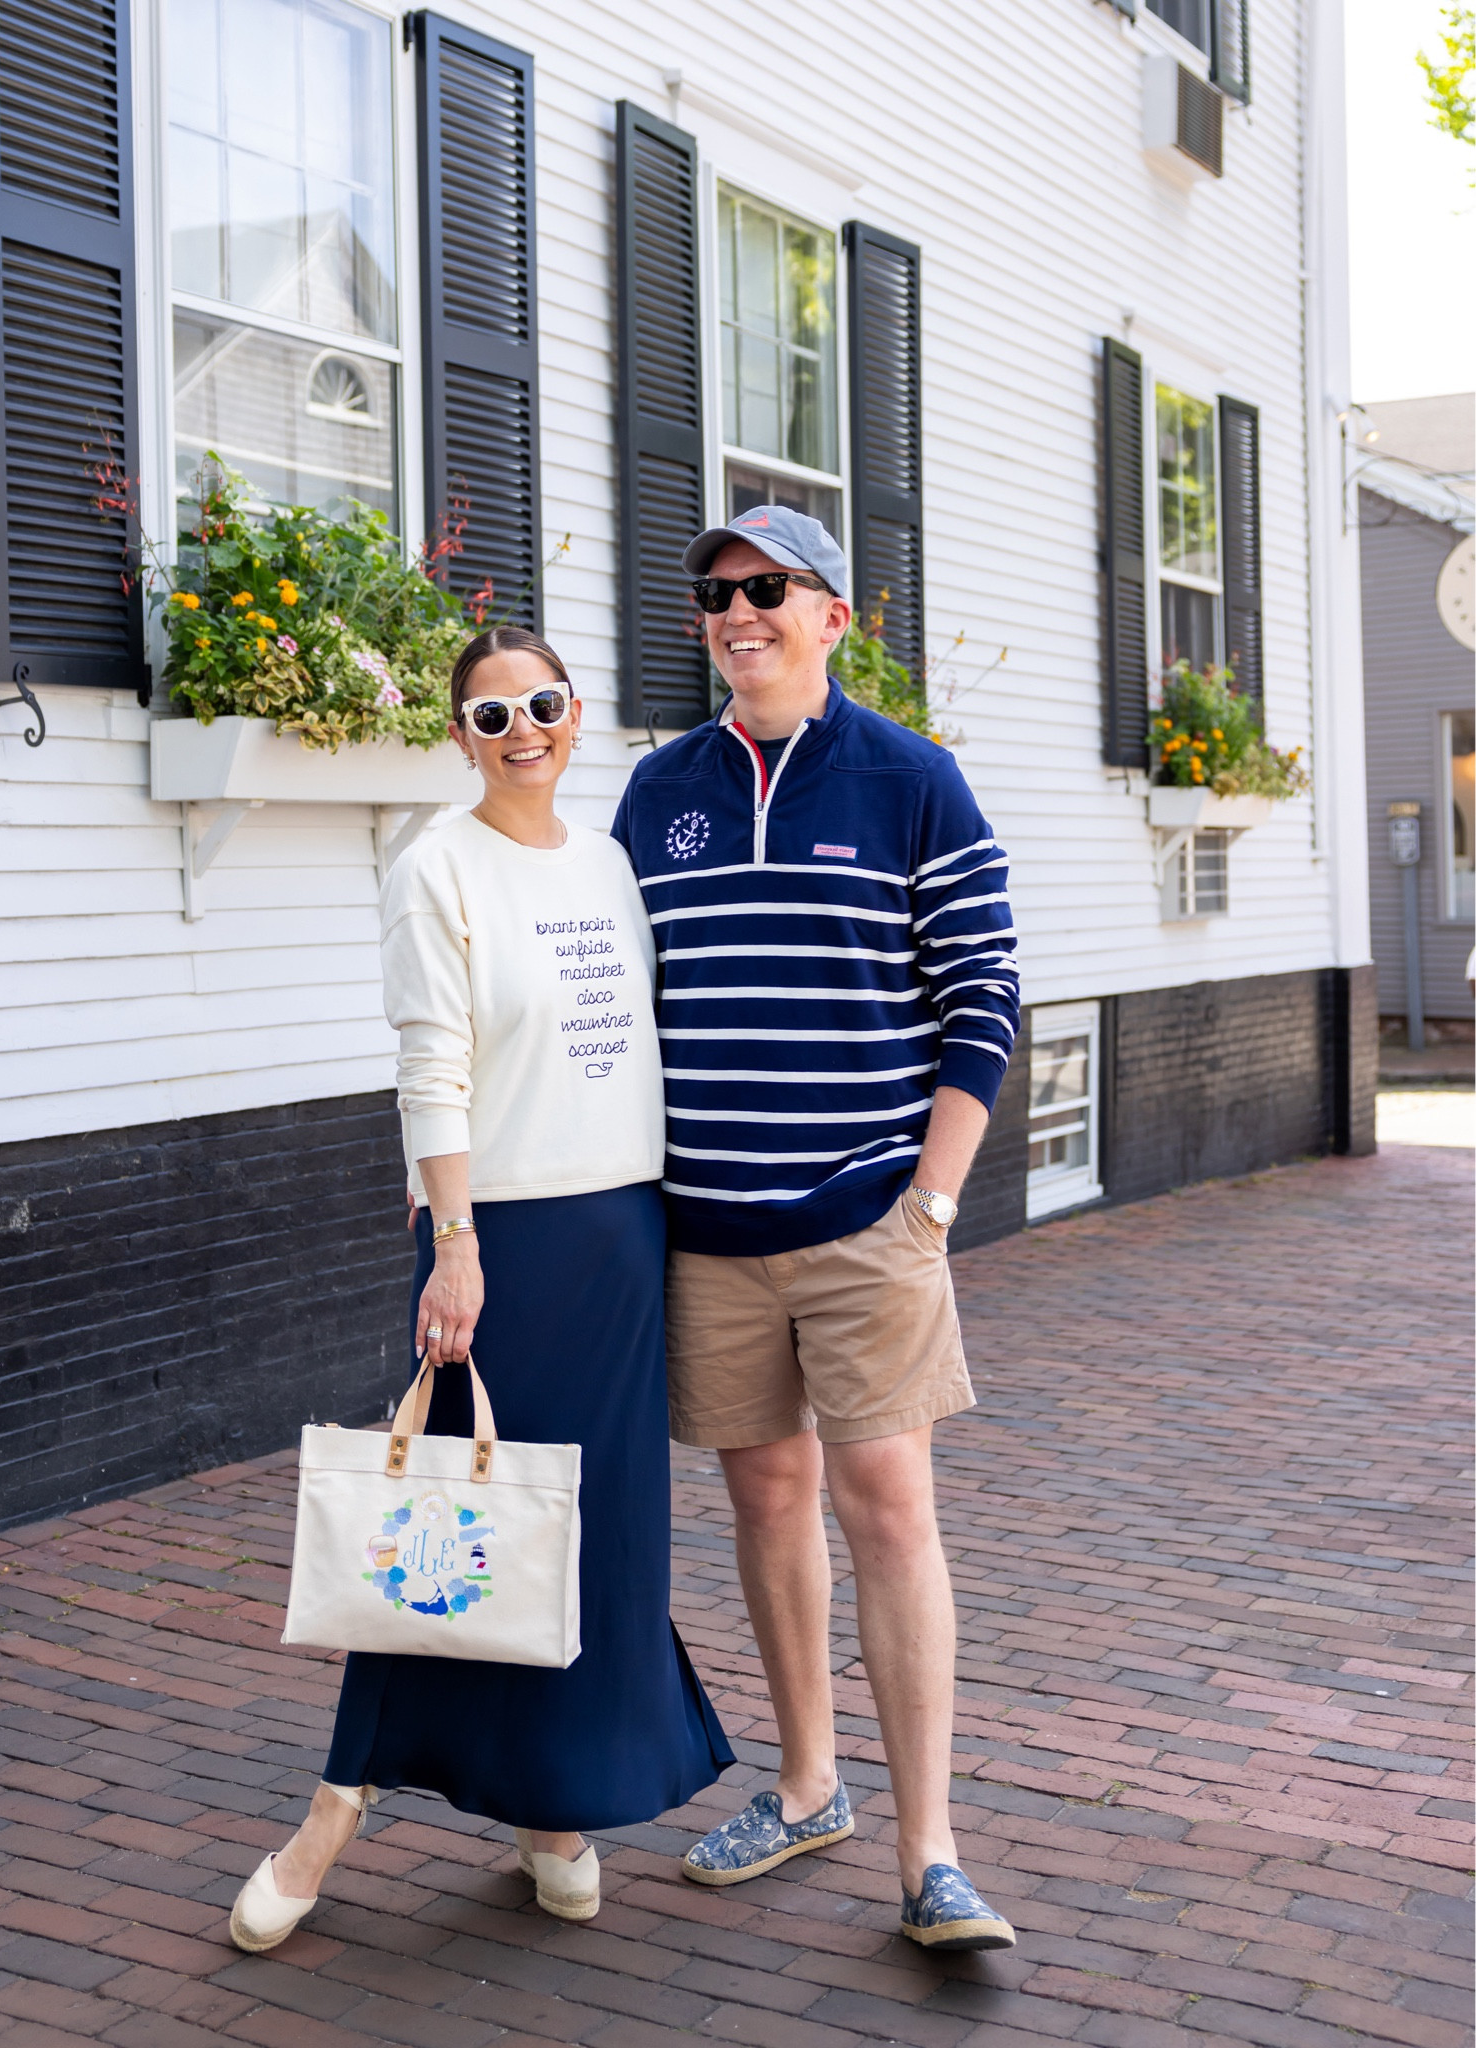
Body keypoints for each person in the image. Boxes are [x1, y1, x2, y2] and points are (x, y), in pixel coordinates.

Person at [230, 624, 733, 1951]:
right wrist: (454, 1239)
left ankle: (555, 1814)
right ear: (460, 739)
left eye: (544, 706)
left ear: (577, 719)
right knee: (440, 1541)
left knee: (588, 1539)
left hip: (622, 1235)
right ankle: (331, 1816)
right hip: (497, 1241)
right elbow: (431, 1062)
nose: (523, 732)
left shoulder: (617, 865)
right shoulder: (435, 865)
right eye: (493, 716)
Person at [611, 507, 1021, 1953]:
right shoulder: (656, 791)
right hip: (708, 1230)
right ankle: (804, 1790)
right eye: (716, 591)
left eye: (769, 588)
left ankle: (932, 1857)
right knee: (766, 1503)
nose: (739, 612)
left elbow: (983, 999)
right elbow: (605, 1012)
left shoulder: (914, 780)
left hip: (868, 1221)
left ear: (834, 615)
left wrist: (935, 1202)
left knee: (889, 1509)